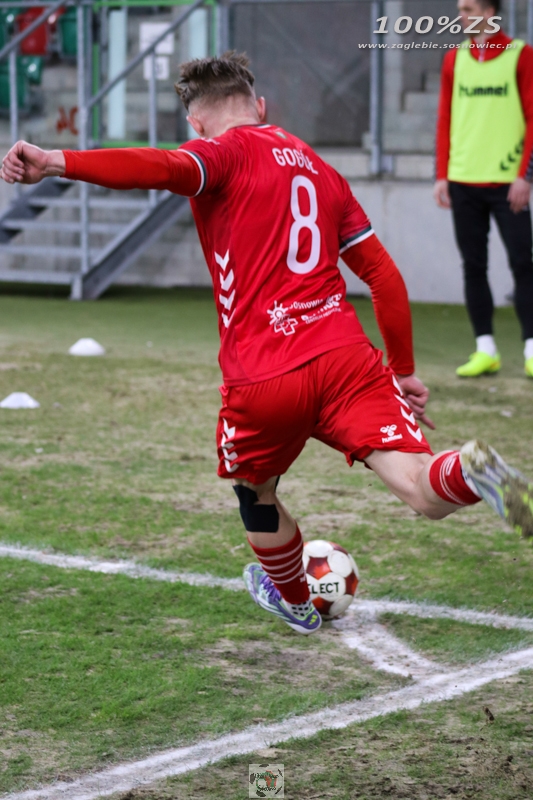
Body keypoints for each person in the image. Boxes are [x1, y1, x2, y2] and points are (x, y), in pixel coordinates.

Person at [2, 52, 532, 636]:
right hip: (346, 358)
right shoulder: (321, 170)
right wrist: (402, 370)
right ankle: (471, 471)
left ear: (196, 123)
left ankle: (297, 603)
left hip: (265, 372)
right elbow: (383, 276)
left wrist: (57, 161)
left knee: (255, 493)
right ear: (260, 106)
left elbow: (157, 166)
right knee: (422, 488)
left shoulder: (219, 152)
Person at [434, 0, 533, 378]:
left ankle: (531, 348)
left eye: (469, 8)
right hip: (463, 182)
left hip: (509, 185)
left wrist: (525, 176)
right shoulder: (453, 59)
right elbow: (445, 118)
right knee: (473, 266)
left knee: (523, 264)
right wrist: (441, 174)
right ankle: (485, 349)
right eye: (460, 9)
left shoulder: (521, 55)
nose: (461, 16)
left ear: (490, 13)